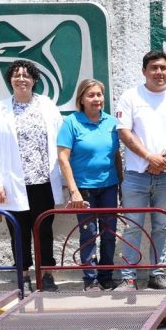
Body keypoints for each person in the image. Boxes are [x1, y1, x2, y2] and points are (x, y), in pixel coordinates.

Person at [115, 50, 166, 290]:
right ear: (144, 71)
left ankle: (156, 274)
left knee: (161, 226)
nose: (159, 73)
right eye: (154, 68)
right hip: (136, 174)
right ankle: (128, 278)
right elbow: (124, 132)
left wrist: (165, 159)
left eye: (163, 68)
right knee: (133, 226)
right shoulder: (130, 97)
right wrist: (149, 156)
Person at [0, 59, 64, 292]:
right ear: (10, 80)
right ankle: (24, 275)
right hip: (12, 183)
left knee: (44, 230)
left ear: (34, 80)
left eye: (26, 75)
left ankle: (47, 274)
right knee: (18, 232)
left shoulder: (47, 106)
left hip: (43, 181)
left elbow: (61, 142)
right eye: (16, 75)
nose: (21, 79)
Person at [57, 78, 122, 291]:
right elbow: (63, 158)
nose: (96, 99)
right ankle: (90, 279)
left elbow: (116, 156)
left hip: (109, 186)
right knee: (88, 233)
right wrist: (74, 191)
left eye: (99, 95)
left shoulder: (112, 123)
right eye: (91, 95)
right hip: (83, 189)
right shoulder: (71, 123)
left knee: (109, 233)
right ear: (81, 99)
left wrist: (120, 185)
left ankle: (106, 275)